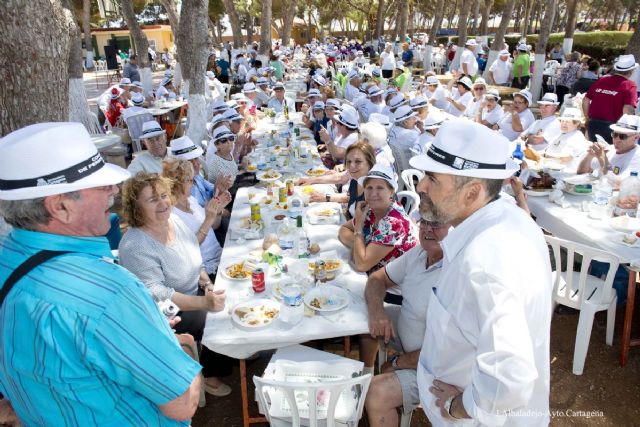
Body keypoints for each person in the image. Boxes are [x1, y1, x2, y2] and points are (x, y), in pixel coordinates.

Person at [0, 122, 202, 425]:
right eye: (100, 184)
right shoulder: (109, 292)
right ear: (61, 207)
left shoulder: (7, 259)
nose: (115, 190)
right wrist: (182, 344)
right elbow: (183, 402)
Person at [409, 118, 552, 425]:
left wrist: (458, 408)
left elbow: (508, 377)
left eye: (433, 179)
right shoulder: (507, 219)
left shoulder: (486, 262)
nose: (421, 186)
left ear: (472, 193)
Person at [119, 173, 233, 398]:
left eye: (163, 196)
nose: (162, 203)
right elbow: (157, 293)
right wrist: (203, 302)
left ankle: (230, 349)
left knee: (232, 297)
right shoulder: (135, 244)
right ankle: (210, 375)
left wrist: (207, 284)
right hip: (163, 311)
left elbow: (193, 254)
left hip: (193, 289)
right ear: (135, 206)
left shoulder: (173, 220)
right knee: (214, 318)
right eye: (152, 199)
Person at [363, 218, 450, 426]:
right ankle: (365, 375)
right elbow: (377, 279)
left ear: (454, 227)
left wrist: (396, 363)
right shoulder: (420, 253)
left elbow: (443, 351)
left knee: (376, 393)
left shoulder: (455, 272)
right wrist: (377, 312)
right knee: (363, 318)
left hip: (434, 370)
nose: (429, 229)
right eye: (425, 223)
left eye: (437, 223)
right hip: (406, 334)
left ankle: (372, 388)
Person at [338, 164, 417, 275]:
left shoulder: (394, 223)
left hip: (394, 287)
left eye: (380, 188)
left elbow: (361, 265)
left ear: (391, 192)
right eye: (369, 188)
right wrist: (361, 248)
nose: (373, 193)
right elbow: (343, 229)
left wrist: (359, 228)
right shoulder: (371, 210)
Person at [582, 54, 638, 144]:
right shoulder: (630, 85)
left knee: (595, 152)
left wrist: (587, 118)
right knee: (610, 155)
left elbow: (586, 100)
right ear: (631, 71)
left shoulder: (602, 80)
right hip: (613, 127)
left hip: (593, 124)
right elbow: (627, 110)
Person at [577, 114, 640, 182]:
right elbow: (581, 172)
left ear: (636, 137)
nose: (617, 140)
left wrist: (602, 159)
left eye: (622, 136)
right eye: (615, 134)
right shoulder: (609, 149)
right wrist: (589, 155)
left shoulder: (637, 156)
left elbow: (619, 183)